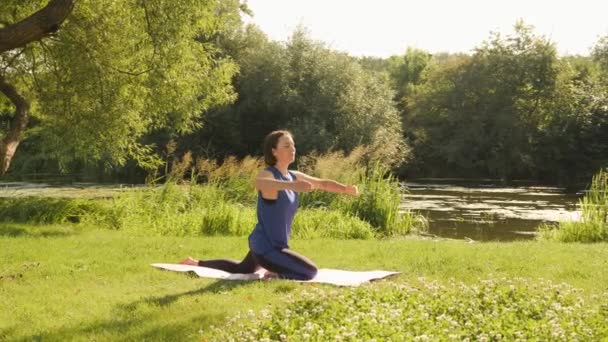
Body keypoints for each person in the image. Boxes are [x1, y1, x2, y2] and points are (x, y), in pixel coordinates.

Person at [180, 130, 359, 280]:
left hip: (270, 245)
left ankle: (195, 263)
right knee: (309, 272)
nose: (293, 149)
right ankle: (274, 273)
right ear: (274, 151)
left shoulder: (293, 175)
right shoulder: (269, 174)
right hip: (267, 247)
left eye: (293, 145)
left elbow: (323, 183)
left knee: (242, 269)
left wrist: (345, 189)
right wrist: (293, 187)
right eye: (287, 146)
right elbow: (260, 184)